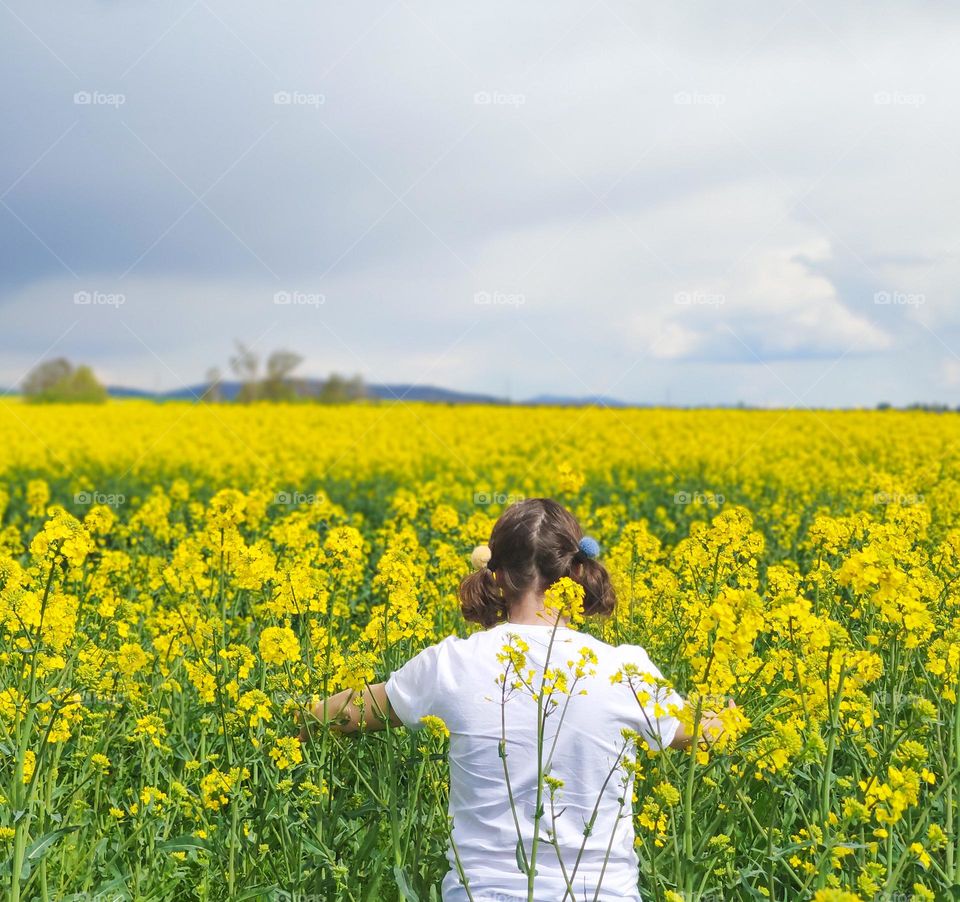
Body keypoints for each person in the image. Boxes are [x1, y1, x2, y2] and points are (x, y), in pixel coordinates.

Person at [300, 498, 732, 901]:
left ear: (497, 574)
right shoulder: (626, 670)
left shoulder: (453, 662)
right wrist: (726, 710)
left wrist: (294, 718)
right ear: (578, 572)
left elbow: (339, 714)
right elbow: (699, 732)